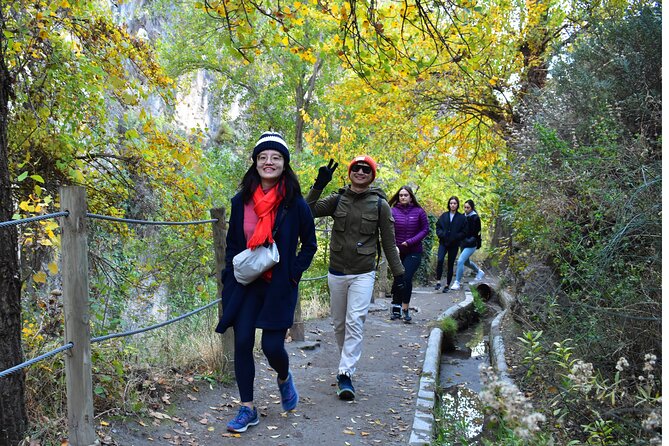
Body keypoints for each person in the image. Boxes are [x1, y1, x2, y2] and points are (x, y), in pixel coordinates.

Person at [215, 132, 317, 433]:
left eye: (275, 157)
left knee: (273, 347)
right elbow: (233, 243)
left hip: (279, 286)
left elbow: (309, 245)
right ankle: (248, 408)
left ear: (284, 163)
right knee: (243, 342)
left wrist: (293, 274)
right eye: (263, 157)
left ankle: (284, 378)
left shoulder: (295, 204)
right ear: (255, 163)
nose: (268, 162)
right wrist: (229, 277)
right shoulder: (240, 202)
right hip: (246, 284)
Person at [306, 155, 406, 400]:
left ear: (372, 176)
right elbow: (306, 211)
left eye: (366, 169)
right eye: (356, 168)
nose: (360, 172)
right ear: (350, 173)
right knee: (339, 324)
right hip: (337, 271)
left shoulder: (380, 204)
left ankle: (345, 374)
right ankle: (345, 365)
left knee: (354, 321)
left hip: (363, 272)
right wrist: (319, 185)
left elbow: (389, 242)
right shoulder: (338, 199)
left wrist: (399, 275)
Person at [388, 186, 430, 322]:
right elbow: (387, 230)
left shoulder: (419, 212)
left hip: (414, 251)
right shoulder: (392, 211)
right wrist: (394, 246)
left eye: (406, 195)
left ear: (411, 197)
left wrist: (411, 241)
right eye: (400, 195)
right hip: (397, 251)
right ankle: (396, 308)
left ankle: (405, 309)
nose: (403, 197)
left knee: (406, 277)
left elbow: (425, 229)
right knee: (398, 278)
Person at [450, 199, 484, 290]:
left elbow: (476, 233)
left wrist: (471, 241)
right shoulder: (461, 216)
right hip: (463, 243)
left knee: (460, 261)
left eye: (468, 207)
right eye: (464, 207)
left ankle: (457, 282)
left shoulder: (475, 218)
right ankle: (479, 272)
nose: (465, 209)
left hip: (471, 243)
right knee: (466, 262)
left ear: (472, 208)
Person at [434, 196, 466, 292]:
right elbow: (438, 227)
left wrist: (456, 237)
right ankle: (438, 281)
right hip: (443, 242)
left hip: (454, 244)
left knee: (450, 264)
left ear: (457, 205)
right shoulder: (444, 215)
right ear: (449, 204)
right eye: (451, 203)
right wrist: (441, 234)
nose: (452, 205)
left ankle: (447, 284)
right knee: (440, 260)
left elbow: (464, 231)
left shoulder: (461, 218)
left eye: (454, 203)